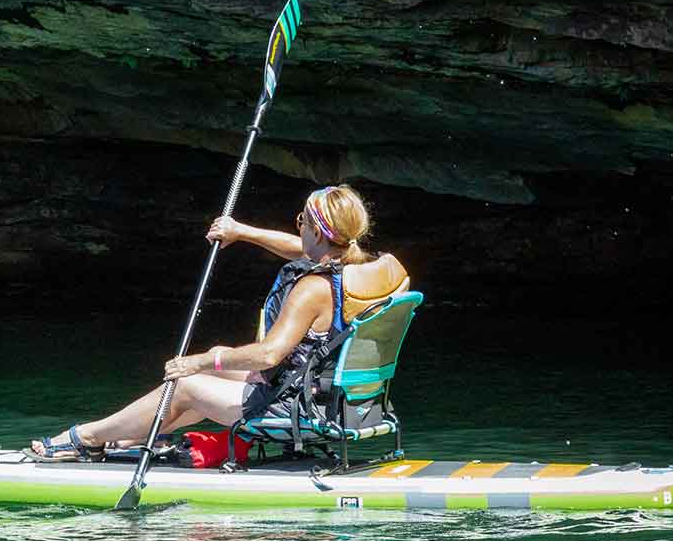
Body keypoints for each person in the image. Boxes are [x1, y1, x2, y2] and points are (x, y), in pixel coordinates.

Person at [29, 184, 409, 461]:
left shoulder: (312, 289)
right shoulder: (377, 268)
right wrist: (242, 232)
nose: (299, 231)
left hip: (295, 405)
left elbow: (268, 354)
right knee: (215, 362)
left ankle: (86, 437)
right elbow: (307, 250)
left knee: (186, 384)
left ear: (319, 232)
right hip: (342, 400)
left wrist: (199, 363)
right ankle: (136, 436)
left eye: (302, 224)